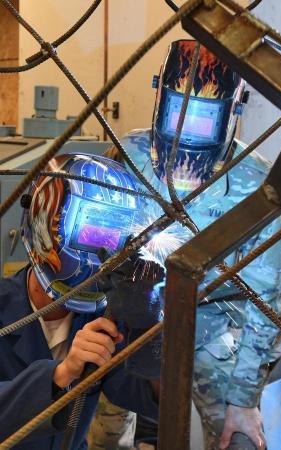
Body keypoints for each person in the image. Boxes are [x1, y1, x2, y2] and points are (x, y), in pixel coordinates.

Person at [91, 40, 281, 450]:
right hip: (129, 319)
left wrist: (243, 399)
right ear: (159, 96)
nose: (186, 132)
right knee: (98, 432)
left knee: (237, 438)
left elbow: (269, 304)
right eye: (177, 113)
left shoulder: (259, 189)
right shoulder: (127, 154)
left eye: (202, 120)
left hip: (214, 328)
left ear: (231, 113)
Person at [0, 153, 162, 450]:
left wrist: (149, 329)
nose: (99, 246)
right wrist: (62, 373)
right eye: (88, 229)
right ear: (45, 220)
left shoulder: (104, 316)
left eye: (110, 235)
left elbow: (156, 402)